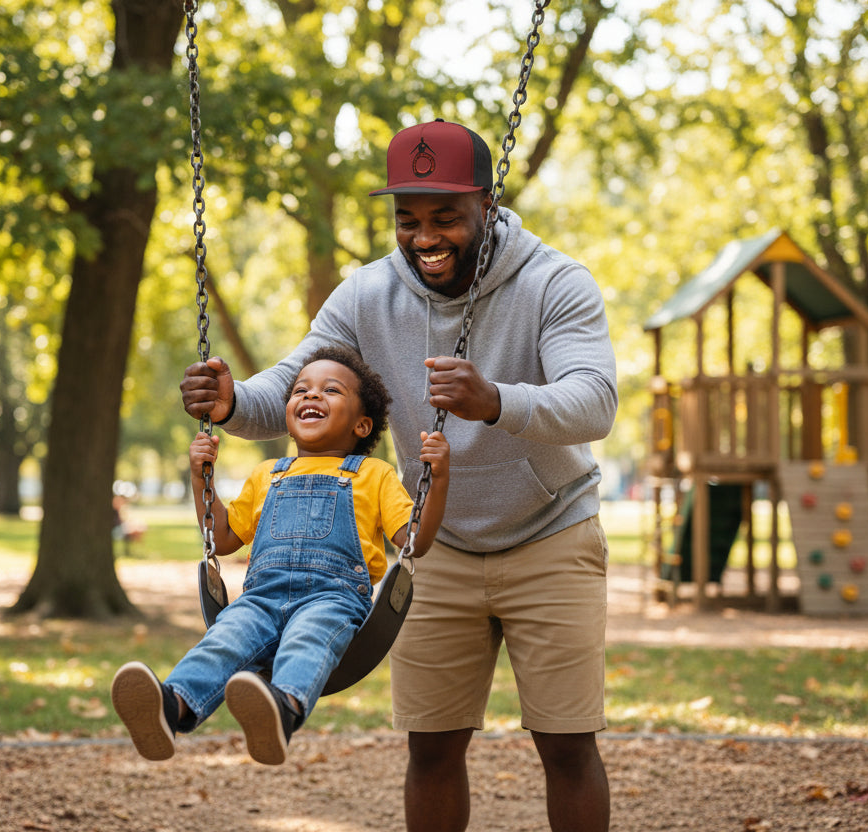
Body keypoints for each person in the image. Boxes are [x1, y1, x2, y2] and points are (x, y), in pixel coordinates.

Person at [180, 119, 617, 831]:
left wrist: (496, 401)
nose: (424, 237)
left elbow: (594, 401)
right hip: (430, 544)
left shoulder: (554, 283)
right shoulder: (366, 294)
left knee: (566, 744)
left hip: (550, 535)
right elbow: (295, 382)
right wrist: (231, 403)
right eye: (407, 219)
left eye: (446, 216)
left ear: (487, 203)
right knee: (432, 746)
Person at [113, 345, 450, 766]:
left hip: (332, 599)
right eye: (299, 390)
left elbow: (413, 541)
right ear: (289, 413)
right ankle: (170, 707)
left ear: (363, 424)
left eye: (330, 390)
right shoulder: (267, 474)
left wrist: (437, 483)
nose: (310, 396)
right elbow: (220, 536)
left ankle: (281, 709)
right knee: (224, 639)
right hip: (260, 598)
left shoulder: (372, 474)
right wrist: (201, 481)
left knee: (309, 638)